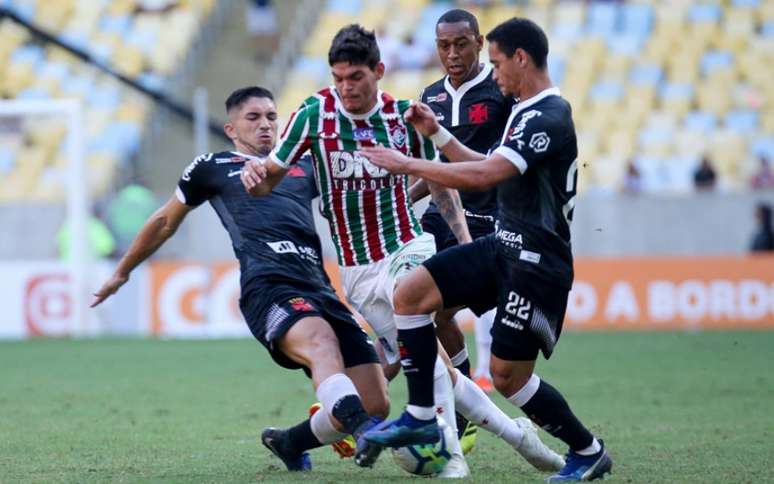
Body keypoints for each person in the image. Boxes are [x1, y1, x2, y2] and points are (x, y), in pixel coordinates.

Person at [240, 24, 564, 476]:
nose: (346, 88)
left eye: (356, 77)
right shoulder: (313, 114)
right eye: (338, 78)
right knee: (436, 365)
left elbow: (436, 178)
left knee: (411, 312)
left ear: (379, 71)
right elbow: (270, 176)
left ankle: (449, 456)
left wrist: (465, 246)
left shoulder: (401, 117)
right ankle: (518, 435)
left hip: (405, 246)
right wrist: (256, 178)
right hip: (357, 270)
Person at [361, 18, 613, 481]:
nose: (493, 75)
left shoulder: (549, 115)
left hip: (537, 262)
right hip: (502, 245)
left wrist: (407, 163)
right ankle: (421, 417)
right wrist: (437, 135)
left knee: (507, 378)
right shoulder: (525, 109)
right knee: (411, 296)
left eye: (496, 63)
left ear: (520, 58)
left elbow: (486, 176)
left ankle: (588, 449)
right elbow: (484, 163)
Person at [90, 86, 389, 472]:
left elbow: (357, 198)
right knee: (321, 343)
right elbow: (165, 221)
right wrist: (122, 271)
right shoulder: (212, 166)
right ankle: (363, 431)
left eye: (270, 116)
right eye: (253, 118)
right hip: (269, 286)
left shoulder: (303, 164)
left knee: (376, 401)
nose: (265, 125)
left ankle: (289, 442)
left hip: (320, 286)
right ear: (231, 128)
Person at [415, 8, 515, 408]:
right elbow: (434, 167)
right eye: (444, 46)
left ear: (479, 42)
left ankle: (481, 388)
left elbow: (497, 163)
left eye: (461, 44)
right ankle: (466, 392)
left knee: (459, 305)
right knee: (426, 309)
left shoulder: (501, 89)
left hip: (491, 217)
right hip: (439, 216)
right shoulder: (430, 96)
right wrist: (403, 198)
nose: (452, 53)